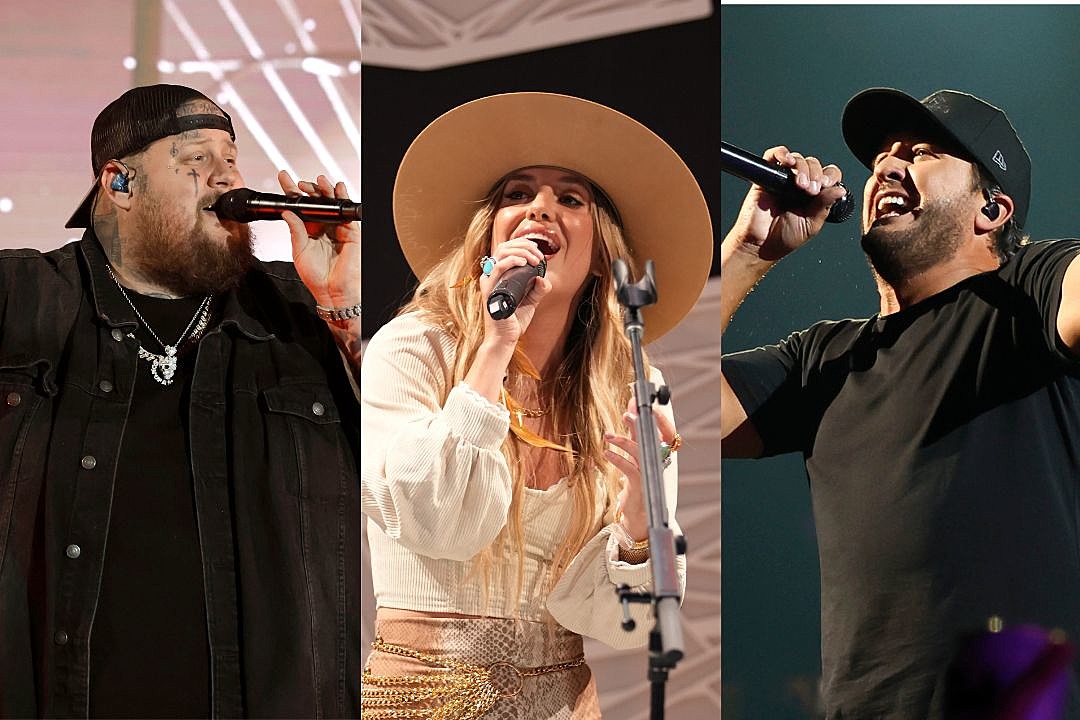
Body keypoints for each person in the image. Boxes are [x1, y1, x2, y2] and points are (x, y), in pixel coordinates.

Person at [0, 84, 361, 718]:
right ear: (120, 184)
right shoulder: (21, 297)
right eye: (197, 158)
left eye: (232, 157)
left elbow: (403, 485)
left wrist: (344, 313)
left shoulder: (302, 314)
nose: (229, 177)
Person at [721, 87, 1080, 718]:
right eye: (881, 157)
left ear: (992, 209)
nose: (887, 165)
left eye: (921, 153)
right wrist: (746, 255)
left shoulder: (1033, 291)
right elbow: (648, 407)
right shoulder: (824, 359)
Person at [360, 92, 712, 718]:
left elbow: (637, 626)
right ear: (488, 236)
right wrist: (496, 346)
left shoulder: (627, 385)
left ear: (603, 256)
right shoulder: (414, 346)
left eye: (569, 200)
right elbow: (439, 522)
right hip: (422, 699)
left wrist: (637, 517)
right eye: (517, 195)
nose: (539, 209)